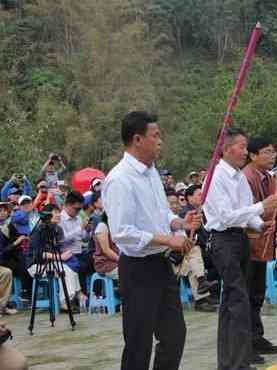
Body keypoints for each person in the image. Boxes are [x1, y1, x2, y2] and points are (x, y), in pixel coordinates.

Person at [103, 111, 199, 370]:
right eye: (155, 136)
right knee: (138, 343)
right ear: (137, 139)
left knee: (174, 335)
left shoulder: (151, 172)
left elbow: (158, 212)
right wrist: (168, 240)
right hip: (137, 269)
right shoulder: (120, 179)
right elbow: (122, 233)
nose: (160, 141)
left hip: (159, 264)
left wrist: (178, 223)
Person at [203, 127, 277, 370]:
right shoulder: (215, 177)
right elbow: (226, 217)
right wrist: (262, 206)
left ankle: (231, 362)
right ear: (226, 148)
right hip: (223, 241)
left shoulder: (237, 177)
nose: (245, 151)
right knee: (238, 301)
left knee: (235, 301)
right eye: (241, 146)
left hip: (240, 239)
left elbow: (246, 213)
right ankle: (237, 362)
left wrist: (260, 225)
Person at [242, 137, 277, 359]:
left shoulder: (269, 177)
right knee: (245, 296)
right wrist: (276, 207)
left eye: (273, 152)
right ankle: (245, 344)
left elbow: (272, 209)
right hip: (248, 243)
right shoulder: (246, 177)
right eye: (266, 151)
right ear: (253, 155)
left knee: (257, 294)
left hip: (264, 242)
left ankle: (256, 337)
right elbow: (248, 210)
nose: (272, 156)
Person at [26, 204, 82, 310]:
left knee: (69, 267)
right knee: (64, 270)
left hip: (51, 262)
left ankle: (70, 299)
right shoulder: (39, 230)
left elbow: (58, 247)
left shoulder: (57, 229)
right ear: (47, 215)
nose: (59, 215)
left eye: (58, 212)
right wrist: (60, 257)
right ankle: (66, 301)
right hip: (36, 264)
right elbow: (38, 253)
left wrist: (65, 254)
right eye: (55, 212)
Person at [168, 189, 215, 312]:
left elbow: (185, 240)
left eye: (176, 203)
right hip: (168, 260)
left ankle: (201, 287)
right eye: (171, 203)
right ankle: (201, 294)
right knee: (194, 260)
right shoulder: (160, 221)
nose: (175, 206)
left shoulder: (180, 220)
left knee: (193, 256)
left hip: (181, 257)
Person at [59, 191, 92, 296]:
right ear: (68, 205)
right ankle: (80, 296)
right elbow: (62, 239)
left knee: (95, 261)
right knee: (81, 266)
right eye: (76, 209)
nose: (78, 212)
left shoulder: (78, 218)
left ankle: (94, 294)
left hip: (79, 251)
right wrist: (80, 228)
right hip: (66, 254)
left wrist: (87, 230)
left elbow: (84, 239)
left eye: (80, 209)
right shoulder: (59, 219)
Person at [92, 212, 119, 279]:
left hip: (114, 263)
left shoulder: (113, 227)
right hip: (105, 264)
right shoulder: (102, 226)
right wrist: (122, 261)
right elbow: (106, 250)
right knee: (131, 272)